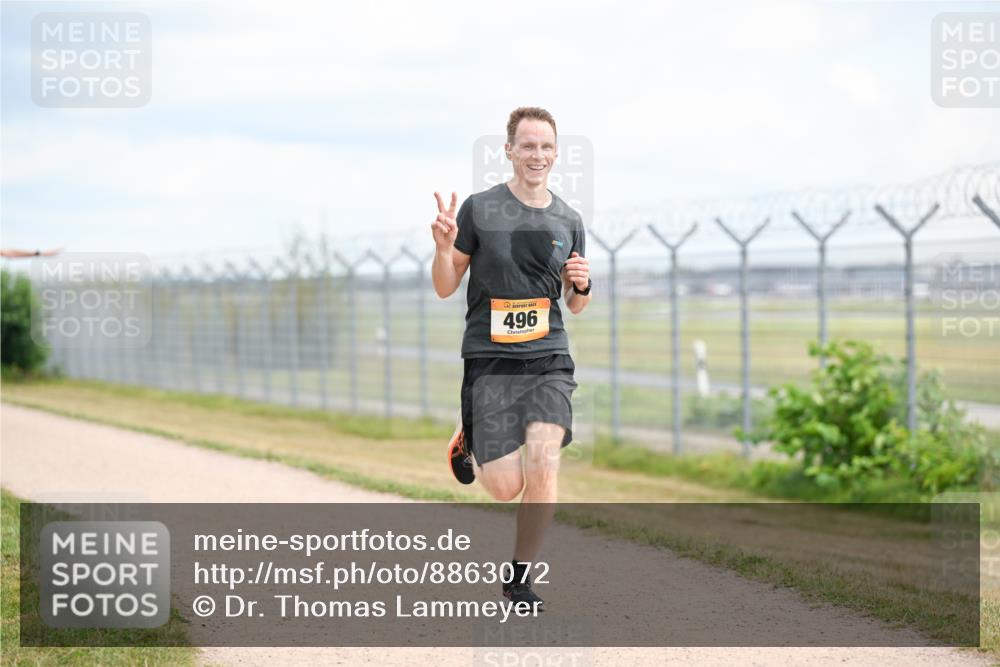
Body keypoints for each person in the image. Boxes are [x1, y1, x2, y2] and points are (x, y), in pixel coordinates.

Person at [430, 106, 591, 611]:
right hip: (489, 361)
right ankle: (469, 441)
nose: (536, 155)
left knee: (544, 460)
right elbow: (444, 286)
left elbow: (576, 303)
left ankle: (518, 579)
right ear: (509, 151)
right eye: (527, 145)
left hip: (548, 360)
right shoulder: (479, 209)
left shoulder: (569, 219)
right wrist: (442, 249)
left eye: (545, 146)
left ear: (556, 153)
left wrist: (582, 283)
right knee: (505, 488)